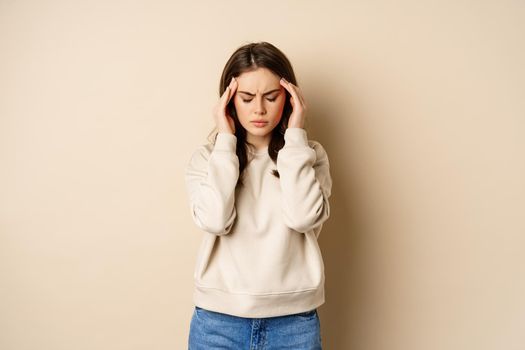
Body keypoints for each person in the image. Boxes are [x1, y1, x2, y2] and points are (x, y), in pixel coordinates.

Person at [184, 41, 332, 349]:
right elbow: (214, 221)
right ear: (228, 101)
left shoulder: (309, 155)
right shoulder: (208, 159)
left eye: (271, 97)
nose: (259, 109)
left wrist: (295, 136)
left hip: (294, 325)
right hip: (217, 323)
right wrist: (226, 142)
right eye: (247, 98)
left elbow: (303, 217)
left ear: (290, 99)